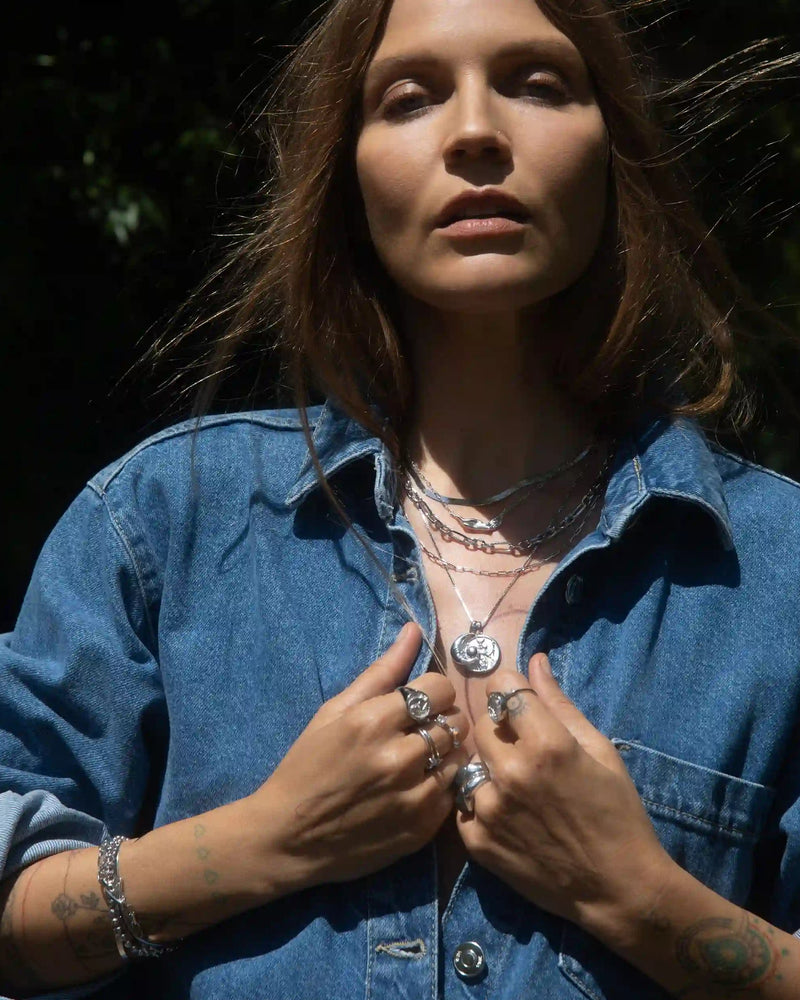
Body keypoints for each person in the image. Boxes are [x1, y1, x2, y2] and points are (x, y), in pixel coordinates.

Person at [1, 0, 799, 996]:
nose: (475, 131)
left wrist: (638, 898)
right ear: (348, 174)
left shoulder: (776, 570)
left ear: (611, 150)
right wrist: (264, 841)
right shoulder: (162, 526)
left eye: (536, 83)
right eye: (409, 96)